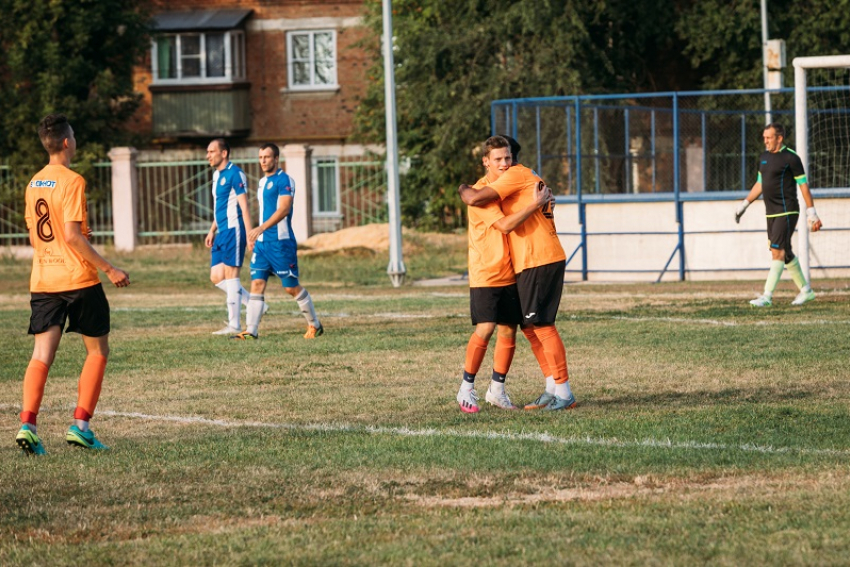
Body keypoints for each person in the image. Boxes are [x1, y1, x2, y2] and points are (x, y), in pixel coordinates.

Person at [16, 113, 131, 455]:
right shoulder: (73, 180)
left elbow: (39, 234)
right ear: (67, 142)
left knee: (41, 355)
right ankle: (81, 427)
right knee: (97, 351)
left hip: (44, 278)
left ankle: (28, 426)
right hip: (78, 279)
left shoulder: (34, 182)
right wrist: (109, 268)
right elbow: (70, 235)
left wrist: (75, 237)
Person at [459, 138, 577, 412]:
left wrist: (463, 188)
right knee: (528, 327)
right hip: (509, 267)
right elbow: (478, 198)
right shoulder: (523, 178)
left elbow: (479, 200)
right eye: (498, 159)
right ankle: (551, 387)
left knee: (542, 326)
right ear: (486, 161)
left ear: (514, 158)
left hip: (538, 258)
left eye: (507, 158)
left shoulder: (515, 176)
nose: (504, 163)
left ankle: (563, 392)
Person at [231, 143, 323, 340]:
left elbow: (284, 209)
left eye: (266, 157)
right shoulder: (262, 182)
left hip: (281, 244)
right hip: (263, 245)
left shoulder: (285, 181)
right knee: (257, 283)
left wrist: (261, 228)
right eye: (260, 157)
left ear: (276, 159)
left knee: (290, 287)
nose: (263, 161)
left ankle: (314, 324)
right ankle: (251, 331)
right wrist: (256, 236)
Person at [735, 123, 823, 307]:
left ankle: (767, 296)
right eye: (764, 137)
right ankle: (806, 291)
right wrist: (744, 204)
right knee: (785, 251)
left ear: (779, 138)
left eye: (769, 137)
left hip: (787, 210)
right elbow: (759, 184)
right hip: (771, 213)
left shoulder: (791, 158)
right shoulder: (764, 157)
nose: (765, 140)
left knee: (777, 252)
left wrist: (812, 212)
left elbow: (803, 186)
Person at [204, 138, 257, 335]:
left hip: (235, 230)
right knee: (216, 277)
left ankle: (234, 324)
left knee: (231, 276)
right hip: (221, 232)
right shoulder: (217, 176)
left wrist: (250, 234)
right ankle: (254, 302)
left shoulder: (236, 174)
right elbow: (220, 206)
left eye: (211, 151)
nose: (208, 155)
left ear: (223, 153)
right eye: (207, 152)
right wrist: (212, 230)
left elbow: (244, 206)